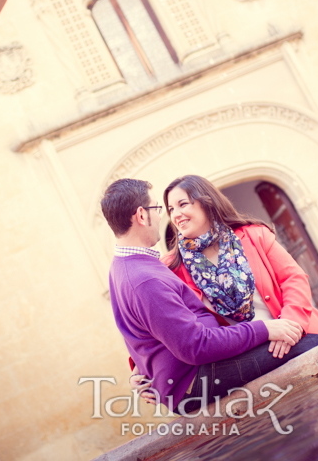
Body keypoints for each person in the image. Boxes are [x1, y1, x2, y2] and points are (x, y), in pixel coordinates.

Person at [101, 178, 305, 415]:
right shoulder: (169, 267)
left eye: (182, 204)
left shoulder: (254, 235)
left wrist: (289, 327)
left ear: (206, 203)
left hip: (280, 334)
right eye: (166, 209)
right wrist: (142, 370)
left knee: (314, 344)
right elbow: (160, 326)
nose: (173, 215)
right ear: (142, 215)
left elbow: (294, 279)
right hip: (226, 353)